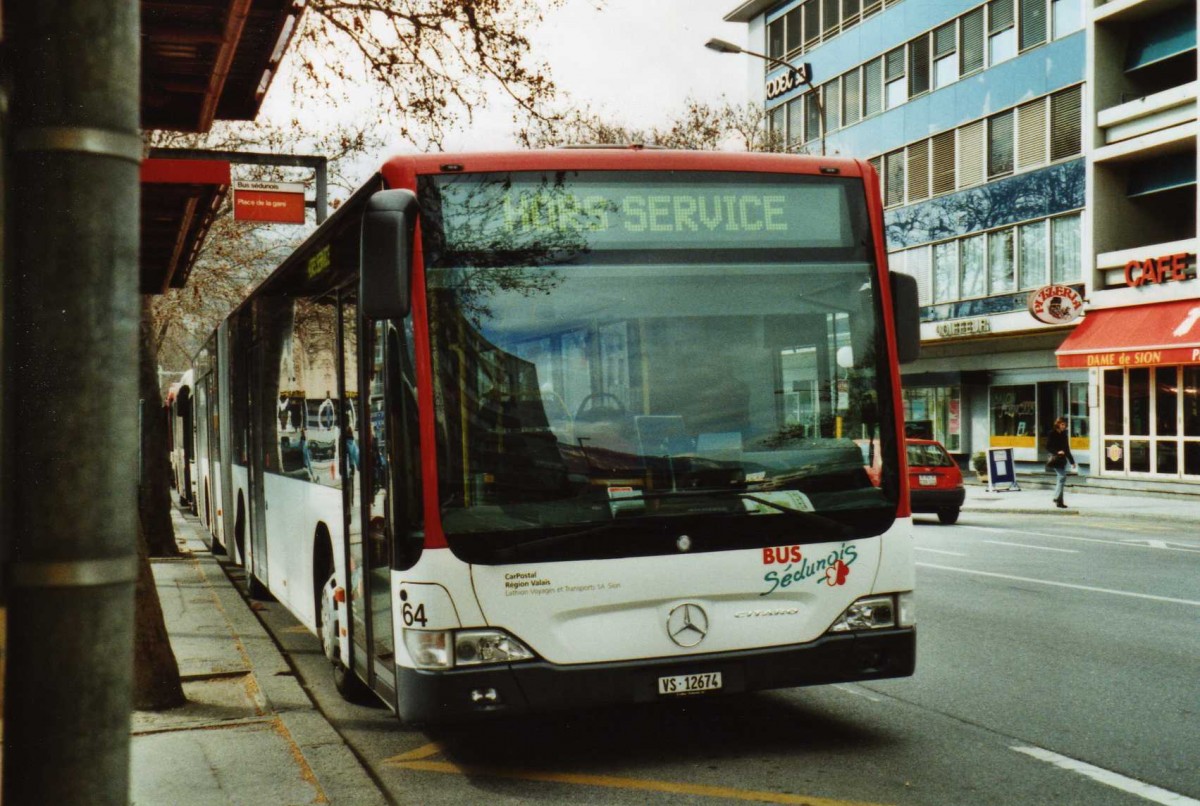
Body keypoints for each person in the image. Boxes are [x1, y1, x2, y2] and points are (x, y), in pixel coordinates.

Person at [1046, 417, 1075, 508]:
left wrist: (1072, 461)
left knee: (1061, 480)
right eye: (1062, 424)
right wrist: (1057, 452)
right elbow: (1048, 447)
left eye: (1065, 425)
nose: (1064, 426)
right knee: (1062, 477)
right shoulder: (1052, 433)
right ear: (1058, 424)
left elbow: (1067, 449)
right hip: (1055, 459)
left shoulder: (1064, 435)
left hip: (1062, 460)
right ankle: (1056, 497)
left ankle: (1059, 502)